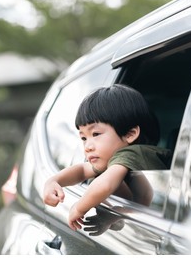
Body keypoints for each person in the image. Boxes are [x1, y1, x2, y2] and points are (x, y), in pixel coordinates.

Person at [42, 84, 171, 231]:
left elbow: (106, 185)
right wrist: (53, 181)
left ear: (130, 134)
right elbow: (83, 171)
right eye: (84, 138)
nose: (88, 146)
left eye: (96, 134)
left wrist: (79, 208)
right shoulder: (115, 157)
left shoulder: (131, 153)